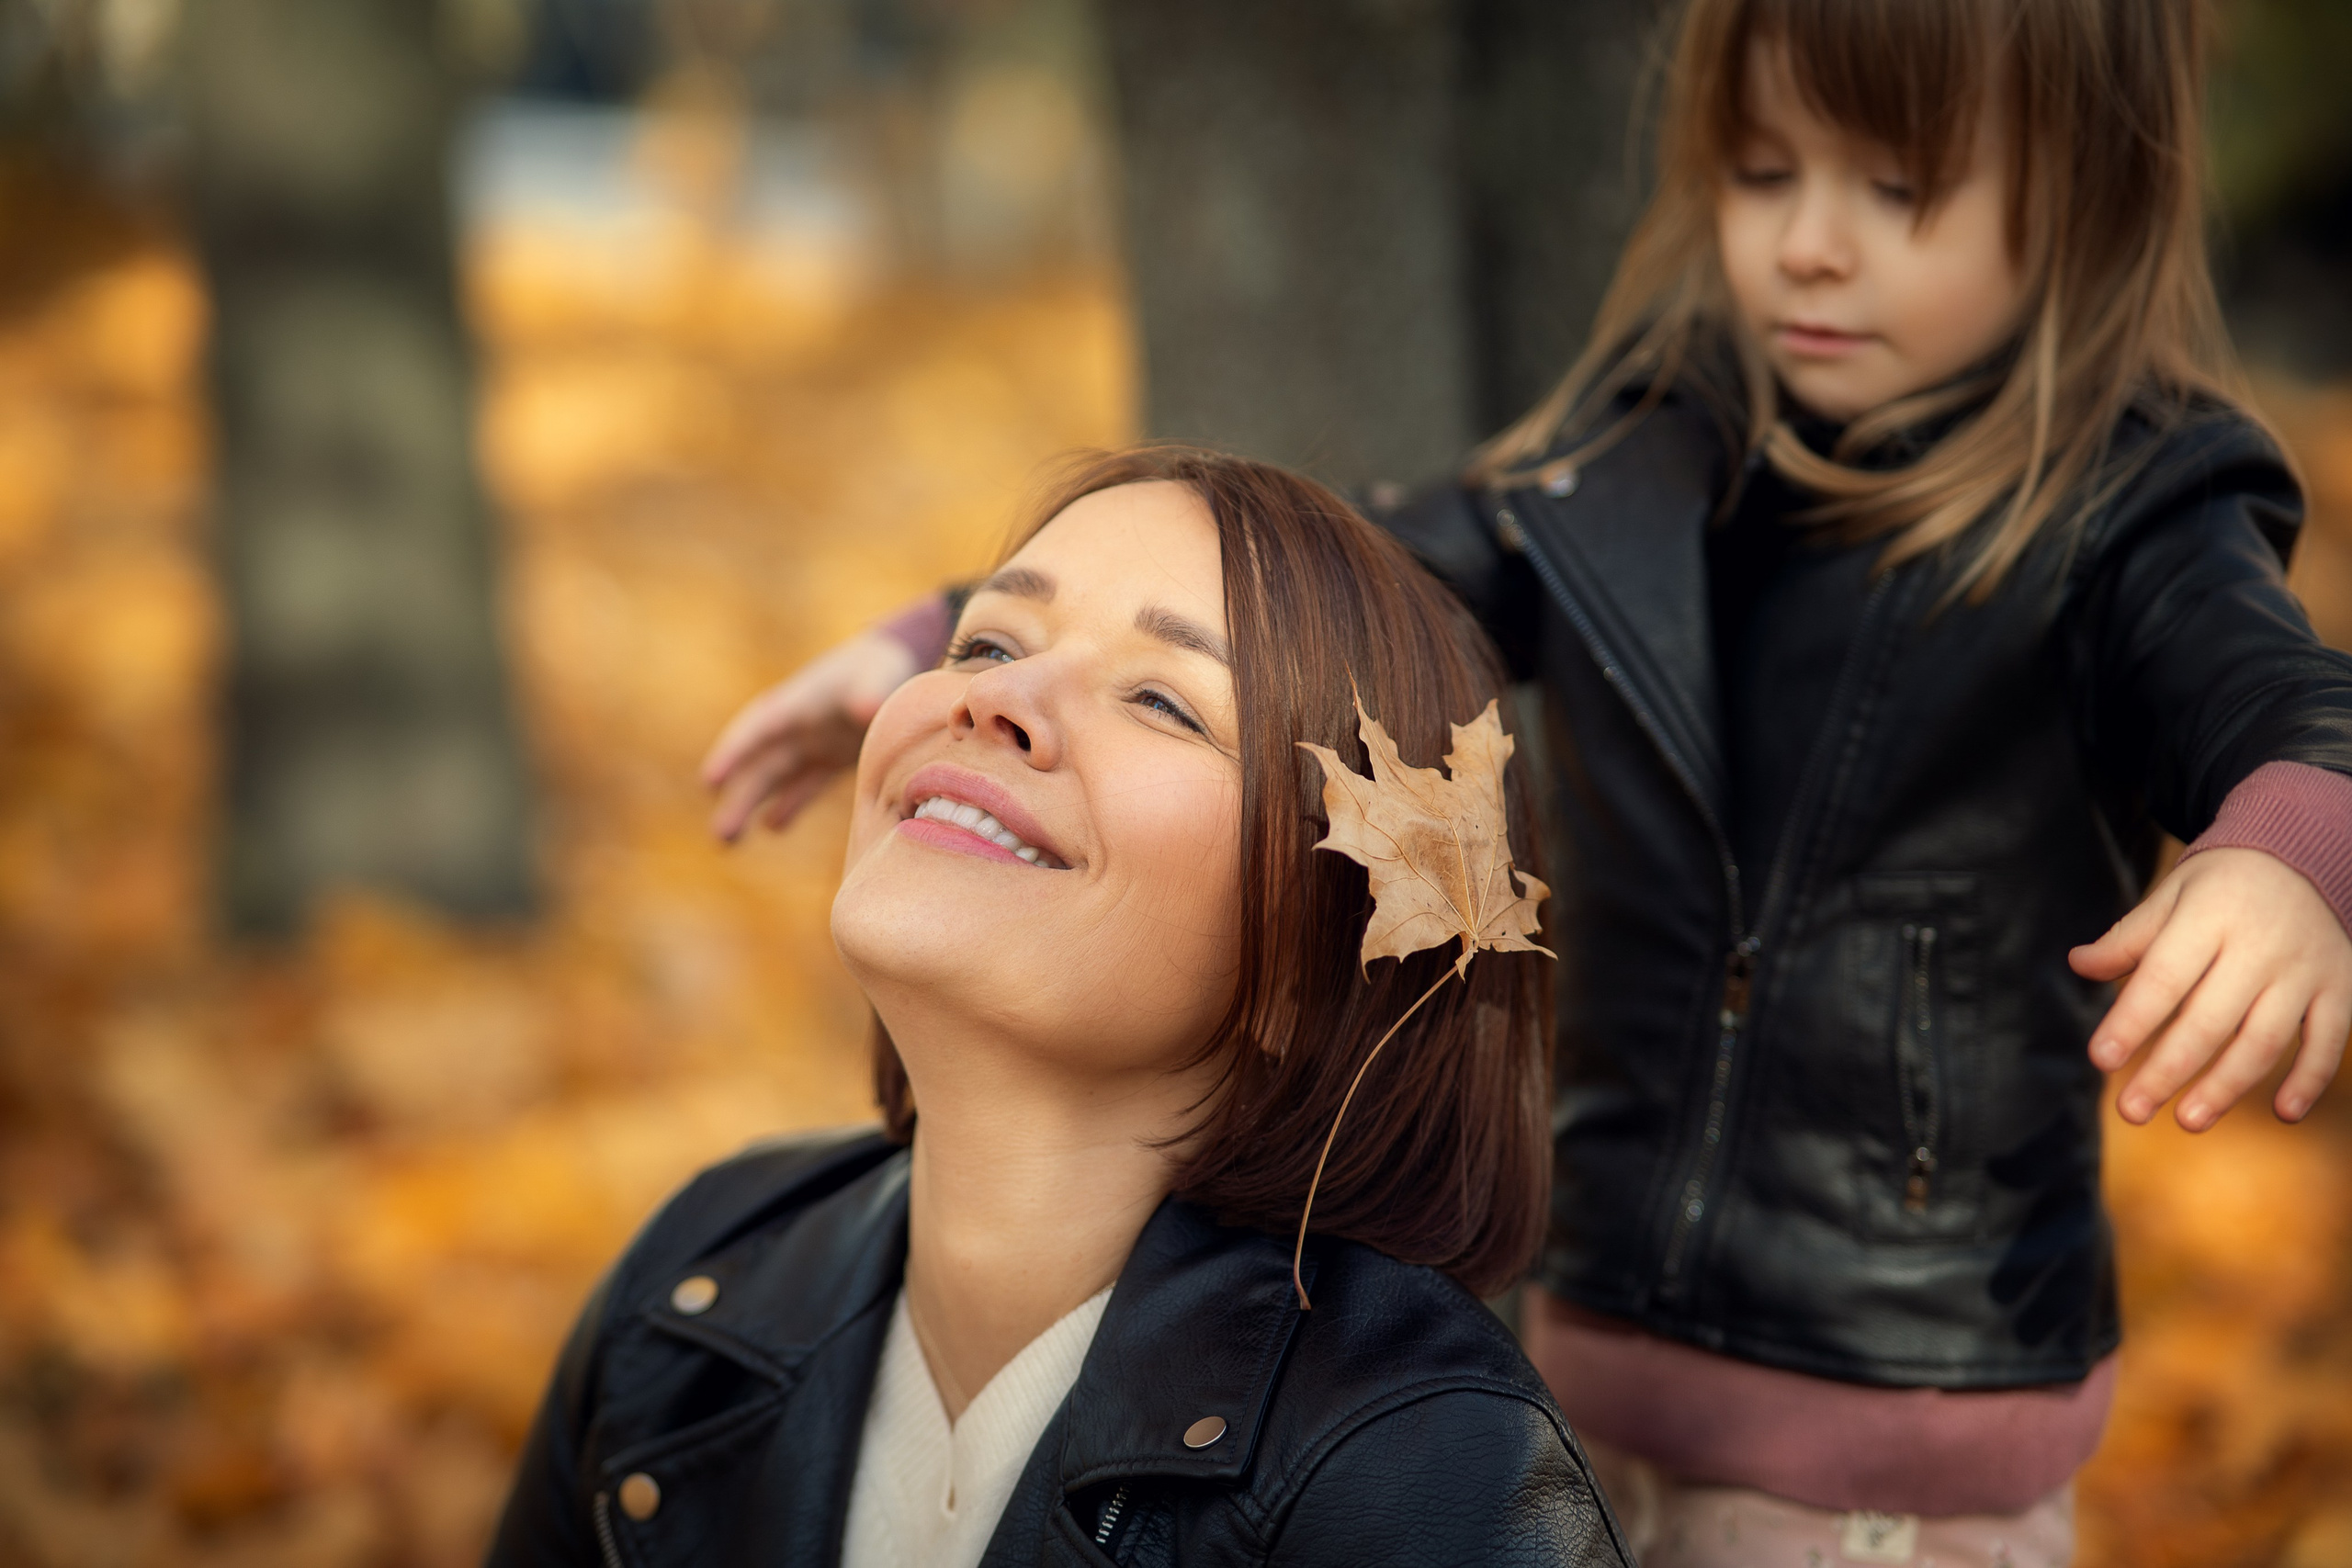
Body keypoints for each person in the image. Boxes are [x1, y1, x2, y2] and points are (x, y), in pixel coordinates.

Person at [698, 2, 2352, 1562]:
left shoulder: (2131, 516)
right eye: (1762, 173)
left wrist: (2288, 854)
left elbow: (2293, 708)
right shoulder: (1638, 459)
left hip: (1891, 1446)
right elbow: (1318, 597)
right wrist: (936, 639)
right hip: (1581, 1366)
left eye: (1897, 188)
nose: (1809, 241)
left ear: (2087, 191)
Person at [489, 448, 1633, 1567]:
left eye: (1161, 701)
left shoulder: (1418, 1477)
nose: (996, 699)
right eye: (985, 640)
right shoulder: (691, 1290)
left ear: (1321, 958)